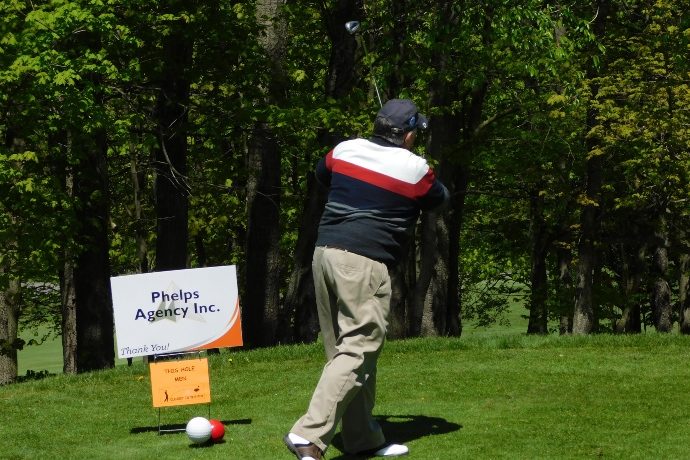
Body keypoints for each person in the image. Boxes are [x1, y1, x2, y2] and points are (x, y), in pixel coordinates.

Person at [284, 99, 449, 459]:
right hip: (363, 263)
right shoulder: (416, 168)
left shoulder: (345, 149)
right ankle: (307, 435)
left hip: (324, 254)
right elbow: (439, 199)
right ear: (407, 135)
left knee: (346, 352)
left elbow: (321, 174)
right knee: (359, 348)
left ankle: (362, 439)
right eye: (413, 132)